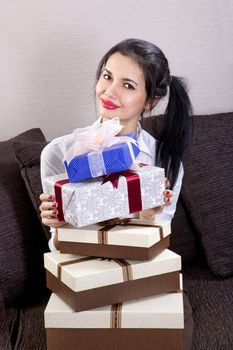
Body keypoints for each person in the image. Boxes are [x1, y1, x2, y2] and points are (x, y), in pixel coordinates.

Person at [39, 38, 193, 349]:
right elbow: (60, 249)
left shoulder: (164, 164)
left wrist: (149, 218)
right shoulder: (58, 154)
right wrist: (57, 225)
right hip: (81, 282)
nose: (109, 92)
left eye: (128, 85)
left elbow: (155, 252)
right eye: (107, 76)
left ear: (150, 100)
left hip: (142, 282)